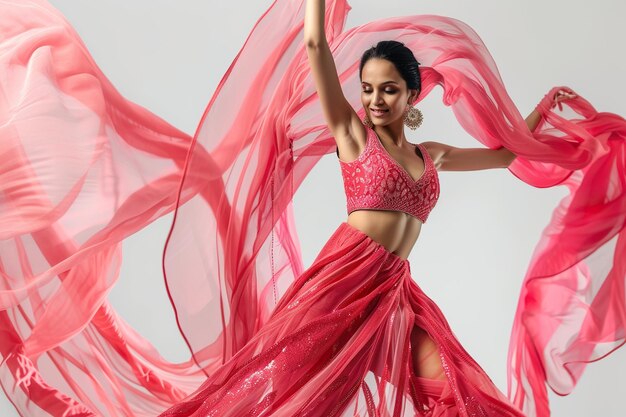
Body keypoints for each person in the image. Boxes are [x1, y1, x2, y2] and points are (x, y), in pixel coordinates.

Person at [1, 1, 624, 416]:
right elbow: (318, 54)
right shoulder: (353, 138)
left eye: (389, 89)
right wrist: (317, 10)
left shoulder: (432, 155)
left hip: (395, 293)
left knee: (454, 387)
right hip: (342, 282)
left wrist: (537, 118)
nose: (376, 98)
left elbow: (502, 156)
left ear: (413, 94)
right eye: (370, 88)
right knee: (285, 392)